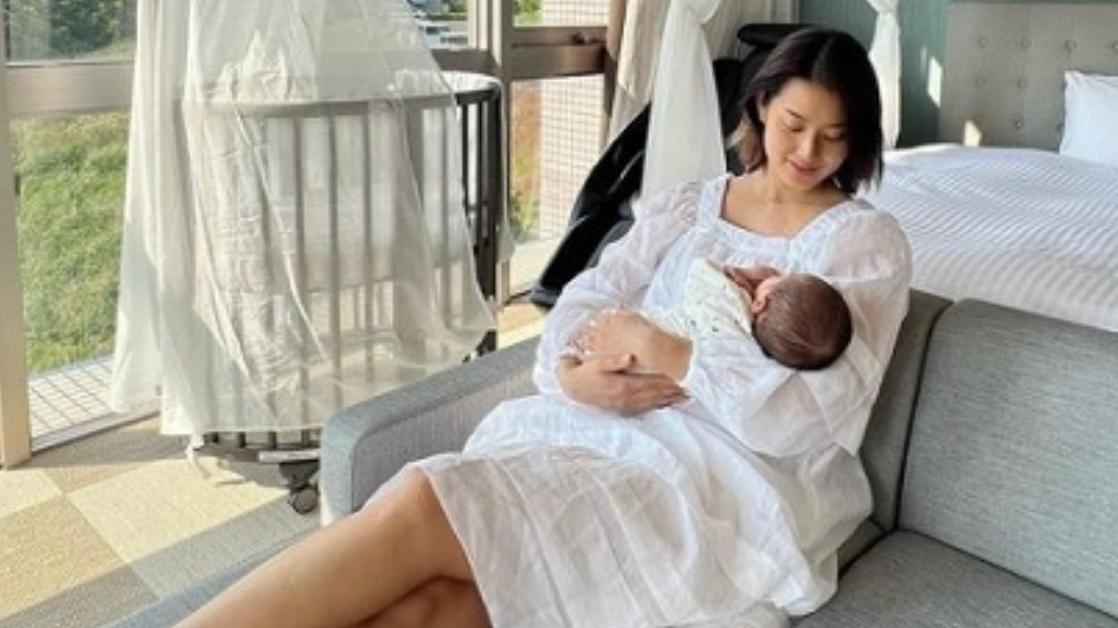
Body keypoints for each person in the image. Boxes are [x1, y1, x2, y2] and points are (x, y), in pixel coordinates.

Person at [180, 26, 912, 628]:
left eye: (833, 137)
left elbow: (817, 415)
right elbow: (592, 296)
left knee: (424, 501)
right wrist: (570, 374)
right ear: (759, 107)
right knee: (440, 607)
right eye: (793, 126)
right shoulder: (687, 207)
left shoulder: (861, 245)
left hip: (723, 480)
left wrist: (669, 350)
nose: (807, 154)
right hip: (602, 428)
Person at [625, 261, 854, 371]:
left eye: (780, 279)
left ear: (761, 303)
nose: (777, 273)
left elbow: (699, 272)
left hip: (649, 332)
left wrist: (736, 274)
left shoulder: (731, 299)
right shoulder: (749, 348)